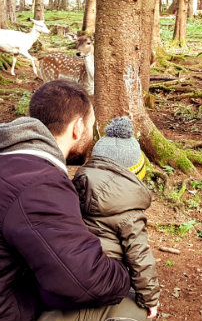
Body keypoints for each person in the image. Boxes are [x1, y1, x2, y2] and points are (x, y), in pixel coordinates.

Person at [0, 80, 147, 321]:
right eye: (92, 127)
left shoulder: (6, 158)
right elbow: (84, 280)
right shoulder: (39, 184)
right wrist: (125, 273)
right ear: (78, 127)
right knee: (130, 306)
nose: (91, 136)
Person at [72, 117, 160, 320]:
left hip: (68, 275)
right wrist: (150, 300)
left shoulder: (74, 189)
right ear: (135, 174)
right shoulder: (129, 210)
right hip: (106, 282)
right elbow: (139, 257)